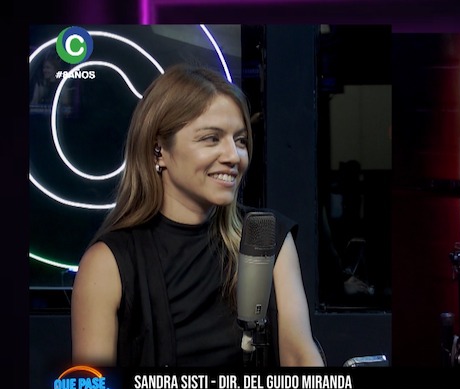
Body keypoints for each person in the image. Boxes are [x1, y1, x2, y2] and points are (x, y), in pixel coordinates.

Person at [71, 64, 324, 367]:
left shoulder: (264, 236)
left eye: (240, 140)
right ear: (159, 150)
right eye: (211, 138)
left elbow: (299, 356)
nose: (233, 156)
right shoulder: (109, 262)